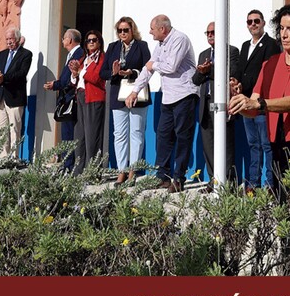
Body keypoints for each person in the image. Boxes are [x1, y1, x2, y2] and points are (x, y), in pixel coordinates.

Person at [228, 0, 290, 195]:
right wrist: (240, 103)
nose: (283, 34)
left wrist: (257, 102)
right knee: (281, 202)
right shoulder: (270, 64)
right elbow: (254, 107)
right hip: (276, 142)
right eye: (281, 28)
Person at [126, 15, 198, 193]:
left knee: (183, 138)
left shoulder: (179, 39)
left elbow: (170, 66)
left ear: (162, 29)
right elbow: (147, 69)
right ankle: (163, 177)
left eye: (152, 28)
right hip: (168, 97)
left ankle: (179, 178)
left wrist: (153, 64)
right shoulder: (160, 45)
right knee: (163, 136)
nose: (150, 32)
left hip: (184, 94)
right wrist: (135, 90)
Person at [235, 8, 280, 191]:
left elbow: (268, 74)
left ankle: (269, 184)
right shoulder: (245, 45)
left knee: (266, 145)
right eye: (249, 22)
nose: (253, 24)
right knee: (253, 144)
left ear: (263, 23)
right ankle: (253, 183)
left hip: (262, 103)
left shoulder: (271, 45)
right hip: (246, 103)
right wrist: (237, 82)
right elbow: (241, 69)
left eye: (256, 21)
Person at [102, 17, 151, 183]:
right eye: (120, 30)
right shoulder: (112, 47)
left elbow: (149, 68)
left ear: (132, 30)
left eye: (125, 30)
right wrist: (114, 73)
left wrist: (132, 72)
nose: (122, 33)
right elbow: (103, 72)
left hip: (137, 94)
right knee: (119, 134)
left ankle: (133, 170)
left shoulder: (141, 46)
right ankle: (121, 170)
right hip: (118, 94)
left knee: (136, 133)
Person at [194, 22, 240, 188]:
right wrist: (201, 72)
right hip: (205, 105)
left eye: (213, 32)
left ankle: (227, 182)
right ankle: (213, 180)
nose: (210, 35)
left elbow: (232, 72)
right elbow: (195, 80)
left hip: (222, 105)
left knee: (225, 145)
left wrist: (209, 71)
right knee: (208, 144)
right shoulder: (203, 54)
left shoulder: (231, 51)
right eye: (207, 33)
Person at [44, 28, 85, 172]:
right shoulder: (71, 54)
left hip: (72, 99)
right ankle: (67, 163)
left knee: (69, 134)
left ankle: (69, 165)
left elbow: (70, 79)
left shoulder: (79, 54)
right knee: (66, 133)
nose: (62, 41)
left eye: (63, 38)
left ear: (70, 40)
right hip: (66, 98)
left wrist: (56, 84)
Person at [0, 28, 33, 159]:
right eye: (7, 39)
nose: (9, 42)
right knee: (1, 129)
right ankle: (3, 156)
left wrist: (5, 78)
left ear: (18, 39)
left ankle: (14, 157)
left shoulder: (26, 54)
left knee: (15, 128)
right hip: (0, 97)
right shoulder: (2, 54)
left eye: (11, 39)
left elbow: (21, 73)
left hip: (15, 96)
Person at [70, 30, 106, 176]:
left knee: (92, 137)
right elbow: (76, 79)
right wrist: (74, 73)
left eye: (94, 40)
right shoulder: (84, 58)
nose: (91, 42)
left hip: (94, 98)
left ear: (99, 42)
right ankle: (79, 169)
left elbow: (97, 78)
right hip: (81, 96)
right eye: (88, 40)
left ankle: (92, 171)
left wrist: (81, 71)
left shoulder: (102, 58)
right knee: (80, 136)